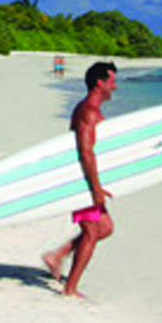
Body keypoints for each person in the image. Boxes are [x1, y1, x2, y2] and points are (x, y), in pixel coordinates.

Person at [43, 61, 118, 297]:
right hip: (78, 181)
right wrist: (94, 188)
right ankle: (70, 288)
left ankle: (57, 255)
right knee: (91, 232)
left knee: (104, 227)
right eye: (112, 82)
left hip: (86, 179)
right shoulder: (88, 111)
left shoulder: (93, 110)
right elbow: (85, 151)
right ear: (100, 83)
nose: (115, 87)